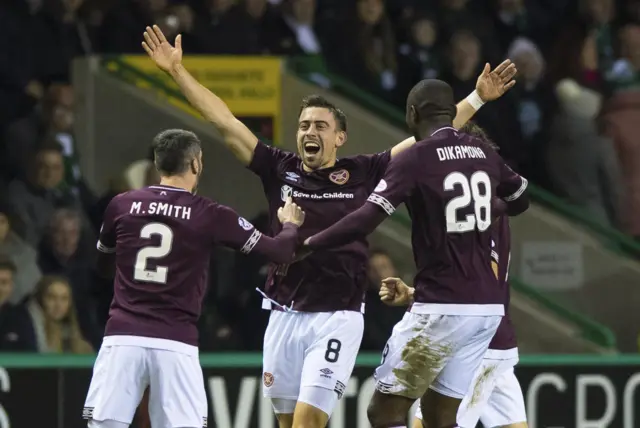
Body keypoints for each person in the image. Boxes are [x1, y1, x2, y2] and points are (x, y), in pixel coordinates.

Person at [141, 25, 516, 428]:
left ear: (340, 136)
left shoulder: (365, 171)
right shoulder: (277, 168)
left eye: (320, 125)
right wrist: (177, 72)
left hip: (338, 314)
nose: (309, 132)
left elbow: (429, 138)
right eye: (303, 126)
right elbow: (224, 121)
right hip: (284, 312)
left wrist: (477, 98)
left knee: (307, 423)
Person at [304, 80, 530, 428]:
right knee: (442, 418)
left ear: (412, 114)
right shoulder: (483, 152)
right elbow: (521, 199)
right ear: (452, 112)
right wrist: (490, 206)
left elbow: (366, 217)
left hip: (441, 306)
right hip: (487, 313)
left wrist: (309, 243)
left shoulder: (415, 158)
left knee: (383, 412)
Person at [82, 128, 305, 428]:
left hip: (122, 337)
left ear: (159, 164)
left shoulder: (122, 205)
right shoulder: (210, 214)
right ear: (196, 164)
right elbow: (279, 251)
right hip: (175, 342)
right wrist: (290, 225)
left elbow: (103, 263)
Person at [380, 122, 527, 428]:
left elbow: (476, 281)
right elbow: (481, 279)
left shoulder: (479, 215)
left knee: (428, 423)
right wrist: (412, 294)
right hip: (497, 339)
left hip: (474, 344)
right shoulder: (492, 208)